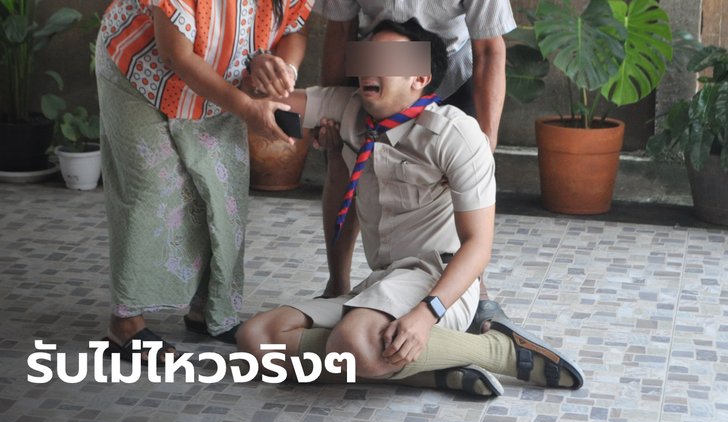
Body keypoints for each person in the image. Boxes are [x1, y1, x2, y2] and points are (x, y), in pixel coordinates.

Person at [237, 19, 583, 396]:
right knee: (257, 339)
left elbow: (478, 246)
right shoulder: (346, 108)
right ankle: (434, 370)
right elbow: (258, 103)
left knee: (352, 341)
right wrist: (260, 65)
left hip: (439, 282)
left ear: (419, 77)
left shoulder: (457, 135)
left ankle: (497, 350)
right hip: (383, 282)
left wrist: (426, 314)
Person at [95, 0, 314, 361]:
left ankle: (210, 311)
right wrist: (247, 108)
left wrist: (280, 71)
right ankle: (125, 324)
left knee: (224, 188)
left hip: (222, 77)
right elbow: (176, 54)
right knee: (151, 188)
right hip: (141, 68)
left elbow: (296, 26)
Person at [313, 0, 517, 327]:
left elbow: (490, 48)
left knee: (462, 190)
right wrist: (329, 111)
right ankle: (338, 283)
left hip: (448, 68)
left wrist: (486, 141)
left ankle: (473, 292)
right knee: (343, 167)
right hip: (378, 63)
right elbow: (340, 30)